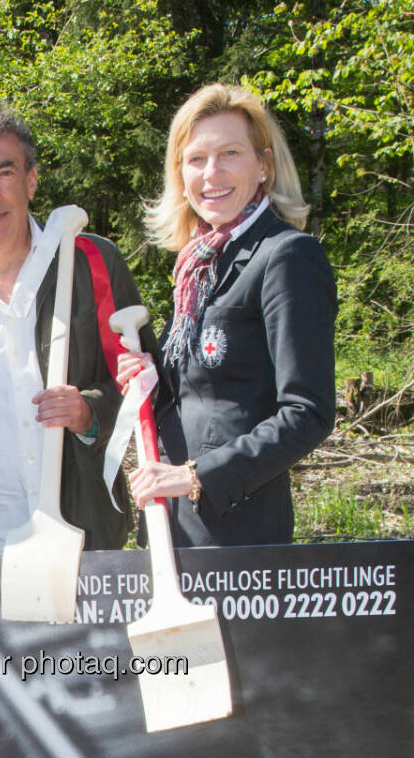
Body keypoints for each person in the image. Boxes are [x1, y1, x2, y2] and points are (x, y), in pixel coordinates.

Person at [0, 103, 154, 554]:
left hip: (83, 536)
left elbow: (148, 389)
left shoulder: (92, 265)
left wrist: (88, 412)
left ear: (32, 181)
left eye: (5, 173)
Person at [118, 83, 337, 546]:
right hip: (173, 526)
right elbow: (207, 395)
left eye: (230, 153)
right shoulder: (198, 265)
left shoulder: (287, 256)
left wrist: (196, 476)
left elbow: (308, 413)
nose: (211, 173)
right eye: (196, 159)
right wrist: (153, 379)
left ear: (264, 166)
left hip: (240, 531)